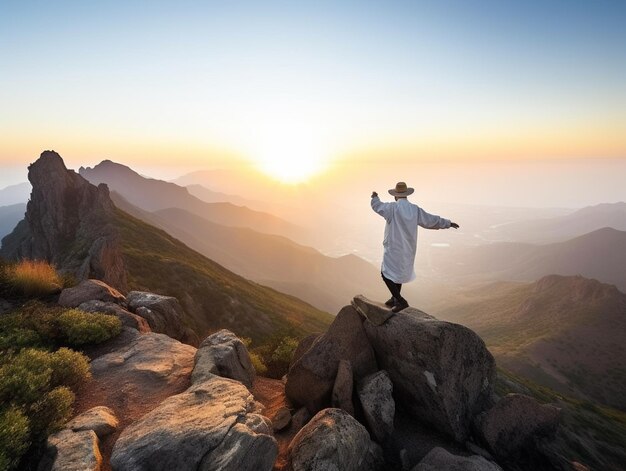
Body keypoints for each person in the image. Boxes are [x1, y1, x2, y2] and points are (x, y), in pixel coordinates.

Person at [371, 181, 459, 312]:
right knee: (398, 274)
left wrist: (374, 197)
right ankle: (394, 298)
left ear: (395, 196)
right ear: (406, 195)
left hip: (394, 247)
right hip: (408, 248)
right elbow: (430, 220)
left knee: (386, 273)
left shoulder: (392, 208)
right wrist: (448, 223)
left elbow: (378, 206)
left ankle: (400, 301)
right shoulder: (414, 209)